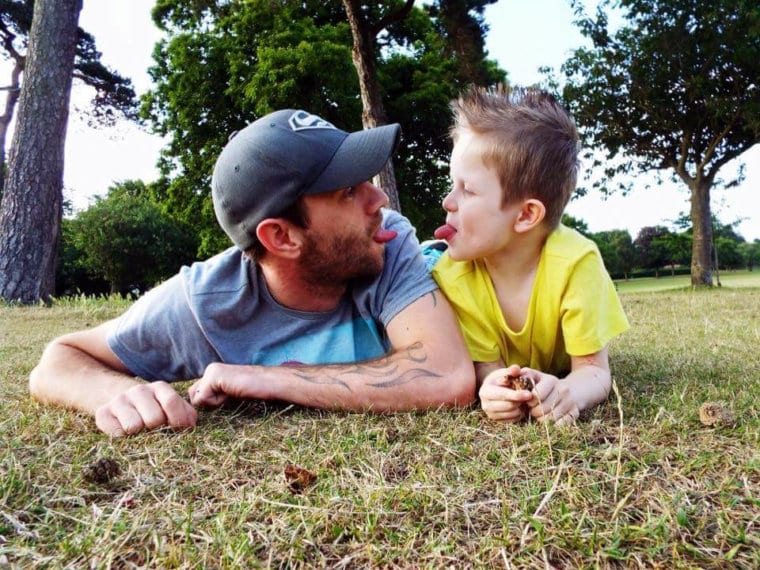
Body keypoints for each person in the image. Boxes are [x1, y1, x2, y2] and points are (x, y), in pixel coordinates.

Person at [30, 109, 476, 436]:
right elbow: (60, 358)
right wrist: (112, 394)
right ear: (281, 237)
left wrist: (265, 378)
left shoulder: (385, 238)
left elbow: (446, 374)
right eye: (347, 191)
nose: (378, 201)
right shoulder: (206, 302)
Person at [427, 86, 629, 426]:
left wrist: (567, 393)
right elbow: (487, 369)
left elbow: (593, 371)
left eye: (469, 190)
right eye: (452, 184)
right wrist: (491, 388)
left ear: (525, 215)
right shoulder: (453, 274)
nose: (448, 201)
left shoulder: (577, 263)